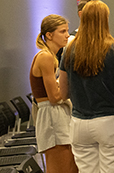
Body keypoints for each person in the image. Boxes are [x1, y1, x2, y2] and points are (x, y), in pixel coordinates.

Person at [60, 0, 114, 173]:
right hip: (111, 121)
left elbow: (63, 93)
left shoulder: (69, 50)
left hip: (79, 123)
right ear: (105, 19)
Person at [29, 14, 78, 173]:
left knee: (71, 167)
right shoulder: (45, 57)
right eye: (62, 31)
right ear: (49, 35)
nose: (67, 35)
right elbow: (55, 97)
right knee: (61, 168)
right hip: (51, 115)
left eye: (67, 31)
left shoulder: (52, 57)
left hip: (57, 113)